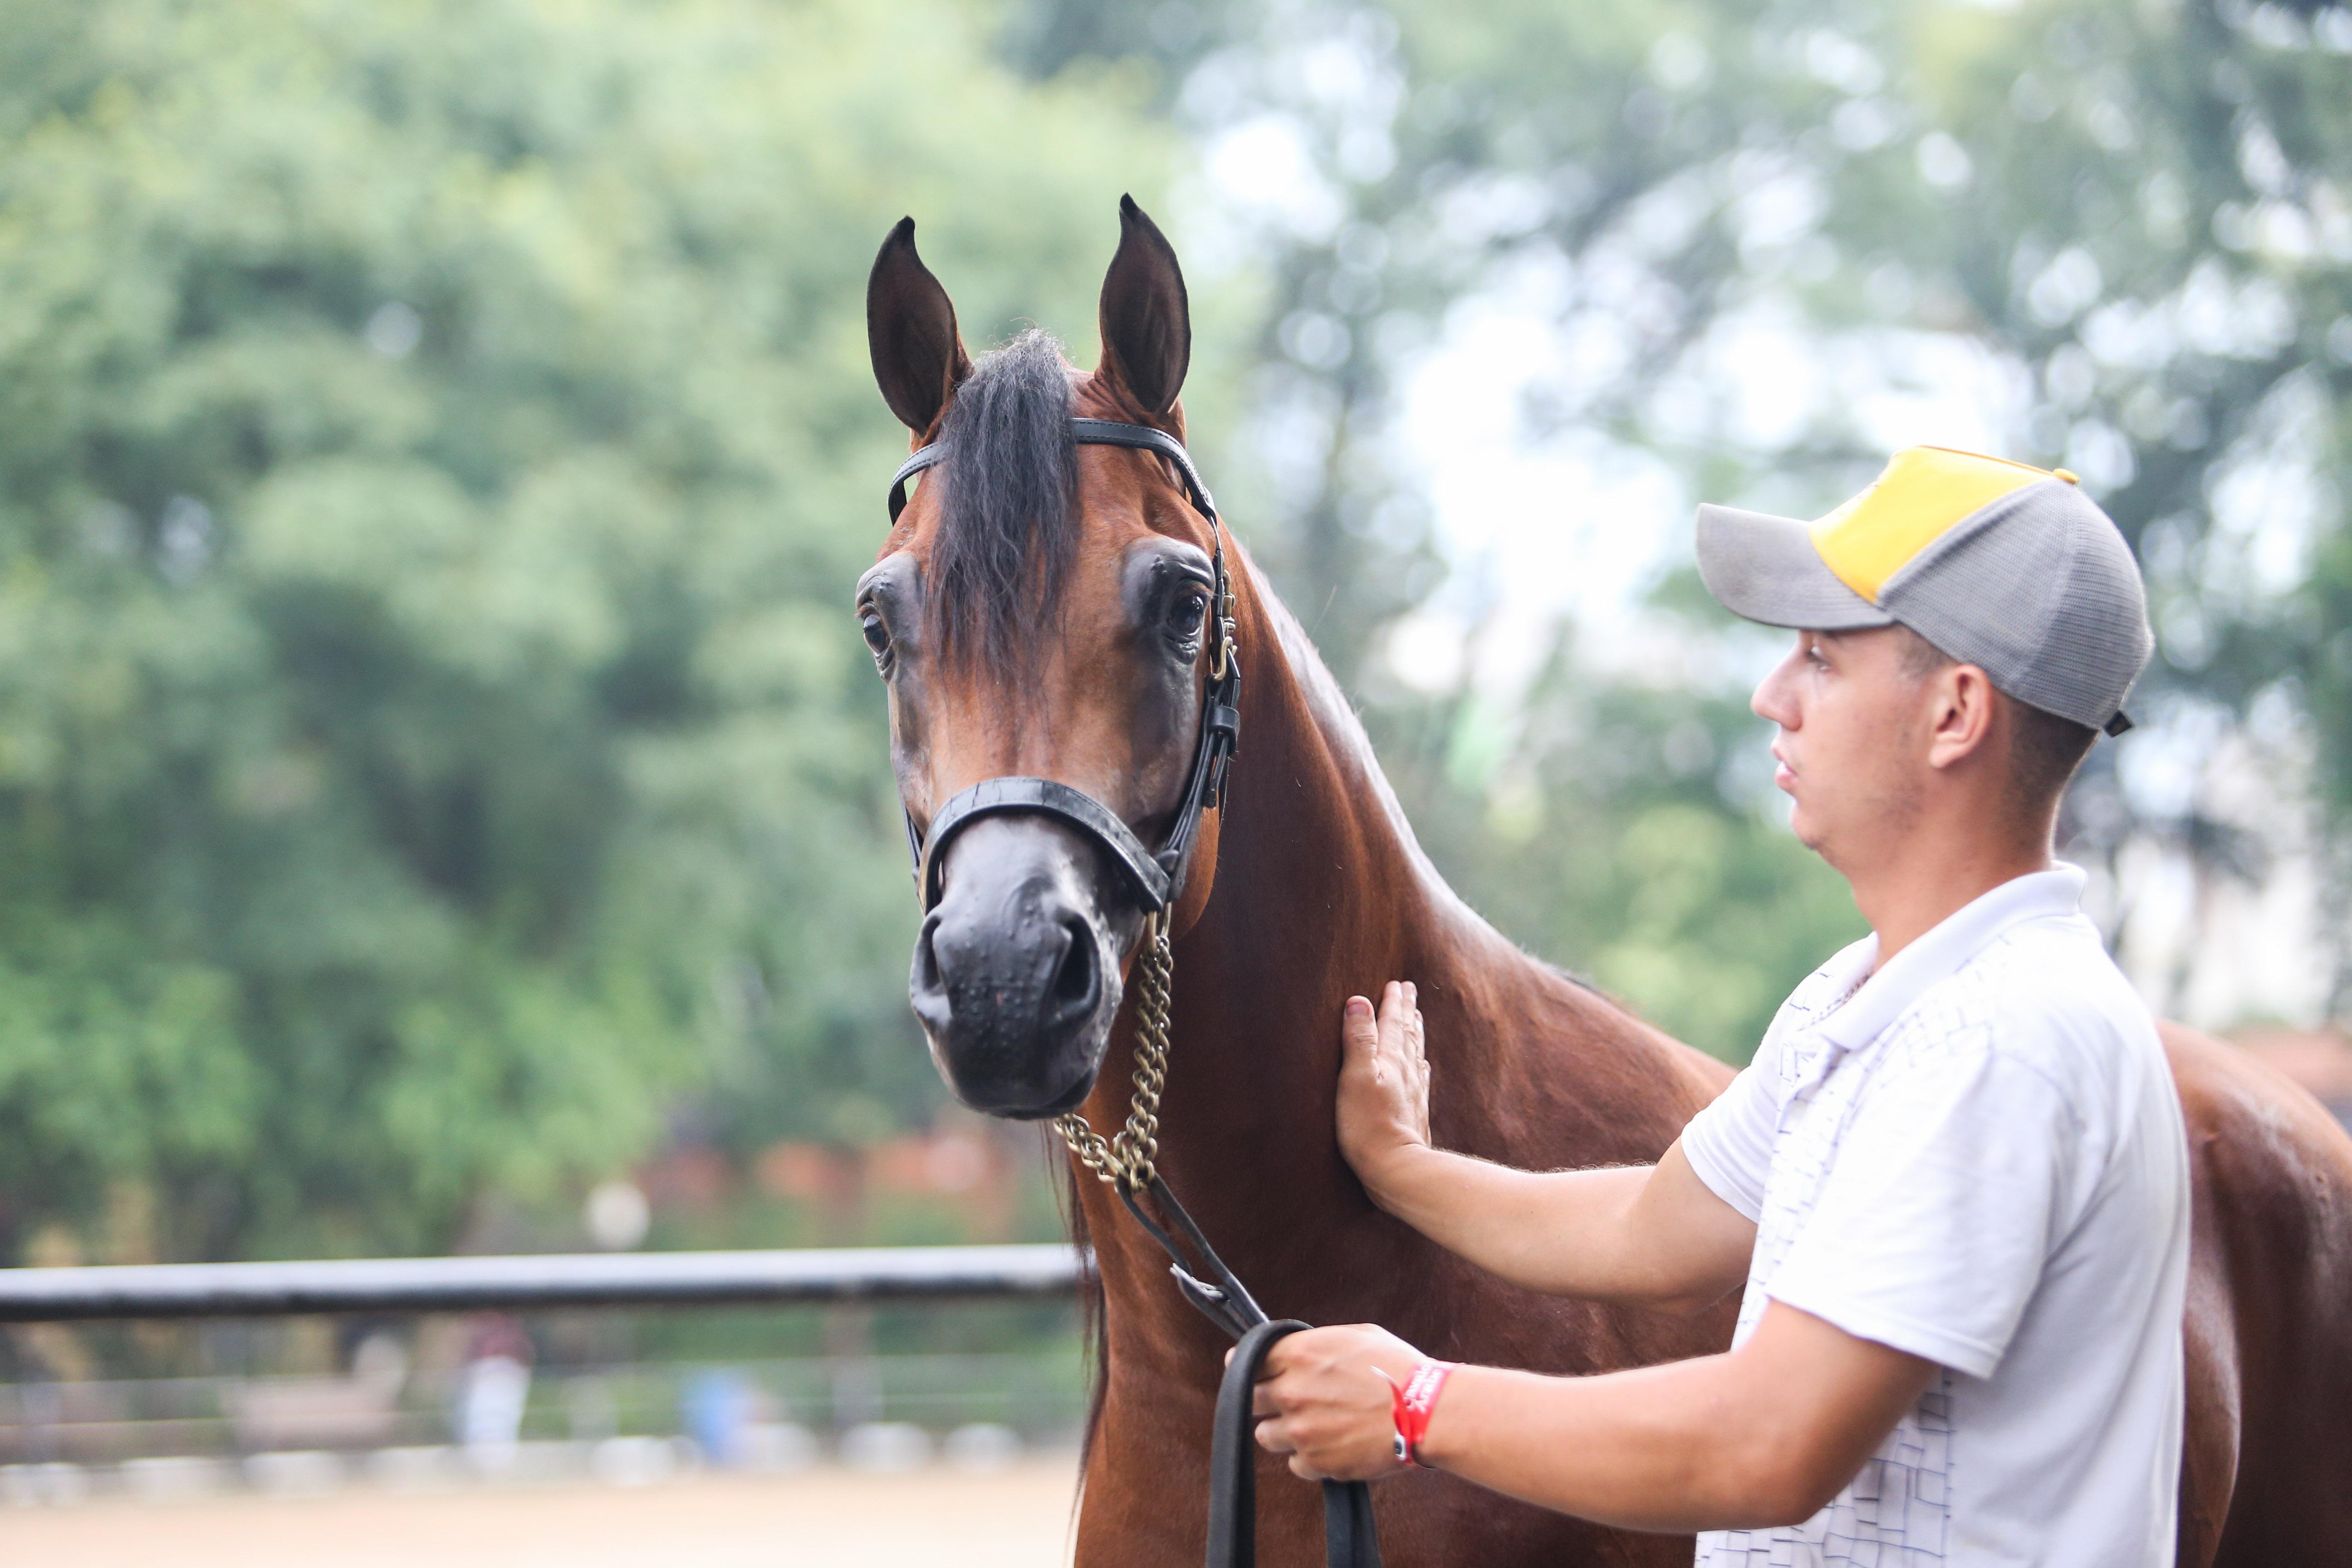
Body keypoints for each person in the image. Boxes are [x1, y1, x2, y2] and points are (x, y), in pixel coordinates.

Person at [1250, 447, 2190, 1566]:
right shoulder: (1866, 997)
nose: (1772, 696)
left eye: (1822, 659)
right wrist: (1406, 1170)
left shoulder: (1999, 1040)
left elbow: (1768, 1443)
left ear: (1954, 713)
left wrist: (1416, 1406)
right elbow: (1652, 1227)